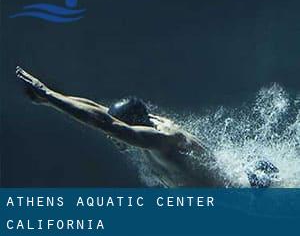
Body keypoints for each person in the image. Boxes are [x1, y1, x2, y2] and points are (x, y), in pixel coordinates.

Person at [15, 66, 277, 187]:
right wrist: (51, 99)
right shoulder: (146, 125)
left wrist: (48, 95)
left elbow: (105, 123)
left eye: (115, 132)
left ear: (132, 126)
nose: (111, 137)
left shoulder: (161, 140)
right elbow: (99, 112)